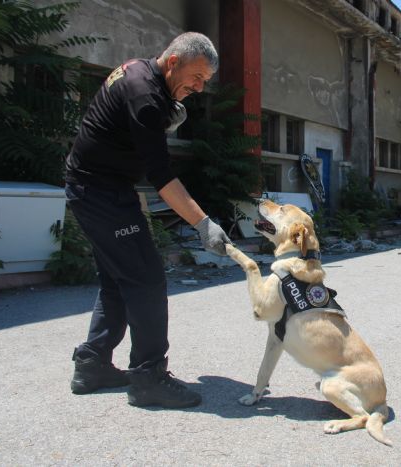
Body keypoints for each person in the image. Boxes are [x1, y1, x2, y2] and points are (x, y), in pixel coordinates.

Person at [65, 32, 230, 408]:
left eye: (205, 82)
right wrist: (203, 224)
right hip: (101, 193)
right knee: (146, 278)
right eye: (197, 77)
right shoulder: (147, 97)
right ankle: (148, 377)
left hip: (98, 189)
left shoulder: (139, 72)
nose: (200, 88)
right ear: (173, 61)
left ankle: (92, 364)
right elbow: (162, 177)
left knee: (118, 278)